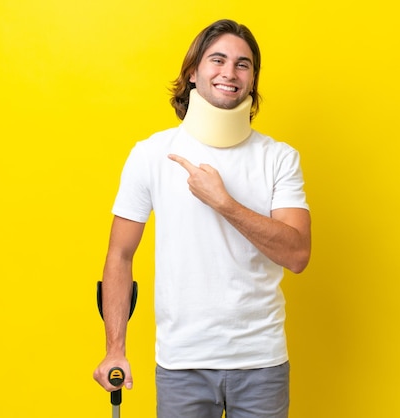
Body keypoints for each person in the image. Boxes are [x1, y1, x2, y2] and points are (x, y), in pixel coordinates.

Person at [93, 19, 311, 418]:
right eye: (218, 60)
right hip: (182, 364)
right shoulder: (151, 154)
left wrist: (224, 203)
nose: (230, 73)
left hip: (260, 361)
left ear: (253, 79)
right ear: (193, 71)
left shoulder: (279, 158)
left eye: (243, 64)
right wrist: (115, 349)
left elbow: (297, 254)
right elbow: (119, 255)